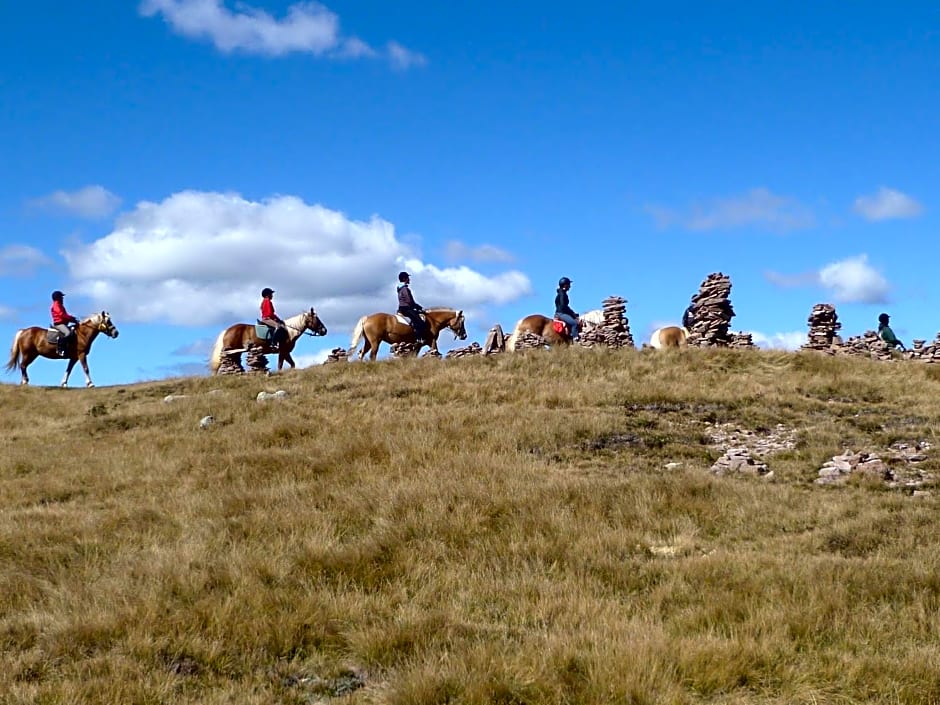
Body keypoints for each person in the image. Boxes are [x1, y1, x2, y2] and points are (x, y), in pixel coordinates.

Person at [397, 271, 428, 344]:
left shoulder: (400, 288)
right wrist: (419, 307)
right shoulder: (405, 289)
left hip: (402, 308)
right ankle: (419, 339)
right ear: (404, 279)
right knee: (419, 321)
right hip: (406, 308)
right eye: (408, 278)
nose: (409, 279)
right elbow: (409, 301)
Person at [50, 290, 79, 357]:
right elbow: (62, 314)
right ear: (58, 297)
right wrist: (71, 318)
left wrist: (73, 319)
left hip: (64, 324)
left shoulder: (60, 305)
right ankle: (60, 350)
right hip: (59, 324)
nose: (62, 298)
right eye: (61, 297)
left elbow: (65, 315)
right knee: (67, 333)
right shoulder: (56, 305)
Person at [554, 276, 580, 340]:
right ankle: (575, 339)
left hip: (560, 312)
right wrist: (573, 314)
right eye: (569, 285)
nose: (570, 286)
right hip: (561, 313)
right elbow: (564, 306)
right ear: (565, 285)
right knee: (574, 323)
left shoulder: (561, 293)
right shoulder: (562, 294)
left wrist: (573, 313)